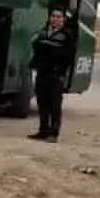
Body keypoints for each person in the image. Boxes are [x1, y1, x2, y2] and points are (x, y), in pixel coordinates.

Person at [28, 7, 73, 143]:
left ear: (63, 20)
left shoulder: (66, 35)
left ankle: (54, 133)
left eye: (58, 17)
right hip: (42, 73)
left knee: (55, 106)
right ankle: (43, 131)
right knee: (42, 104)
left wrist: (60, 71)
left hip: (55, 75)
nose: (55, 19)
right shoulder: (43, 33)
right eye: (53, 16)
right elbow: (36, 47)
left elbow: (68, 56)